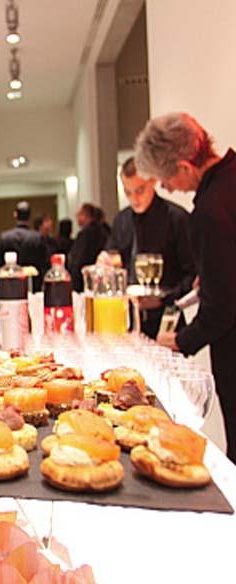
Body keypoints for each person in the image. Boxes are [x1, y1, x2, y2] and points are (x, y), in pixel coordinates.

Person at [135, 112, 236, 461]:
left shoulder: (209, 210)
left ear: (185, 167)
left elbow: (222, 308)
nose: (167, 188)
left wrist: (180, 340)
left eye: (166, 179)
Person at [101, 157, 195, 338]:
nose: (134, 199)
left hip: (167, 320)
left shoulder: (177, 218)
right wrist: (105, 261)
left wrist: (163, 299)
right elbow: (112, 256)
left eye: (139, 190)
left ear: (153, 180)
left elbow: (193, 274)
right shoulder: (122, 220)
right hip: (127, 319)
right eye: (128, 193)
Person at [0, 201, 47, 289]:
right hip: (33, 285)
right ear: (29, 216)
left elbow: (1, 266)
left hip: (11, 285)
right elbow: (43, 264)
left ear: (15, 215)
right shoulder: (37, 237)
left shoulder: (5, 237)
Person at [67, 203, 108, 292]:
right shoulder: (104, 231)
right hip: (100, 278)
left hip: (85, 281)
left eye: (78, 214)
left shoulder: (85, 234)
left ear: (85, 215)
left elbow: (78, 261)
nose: (76, 218)